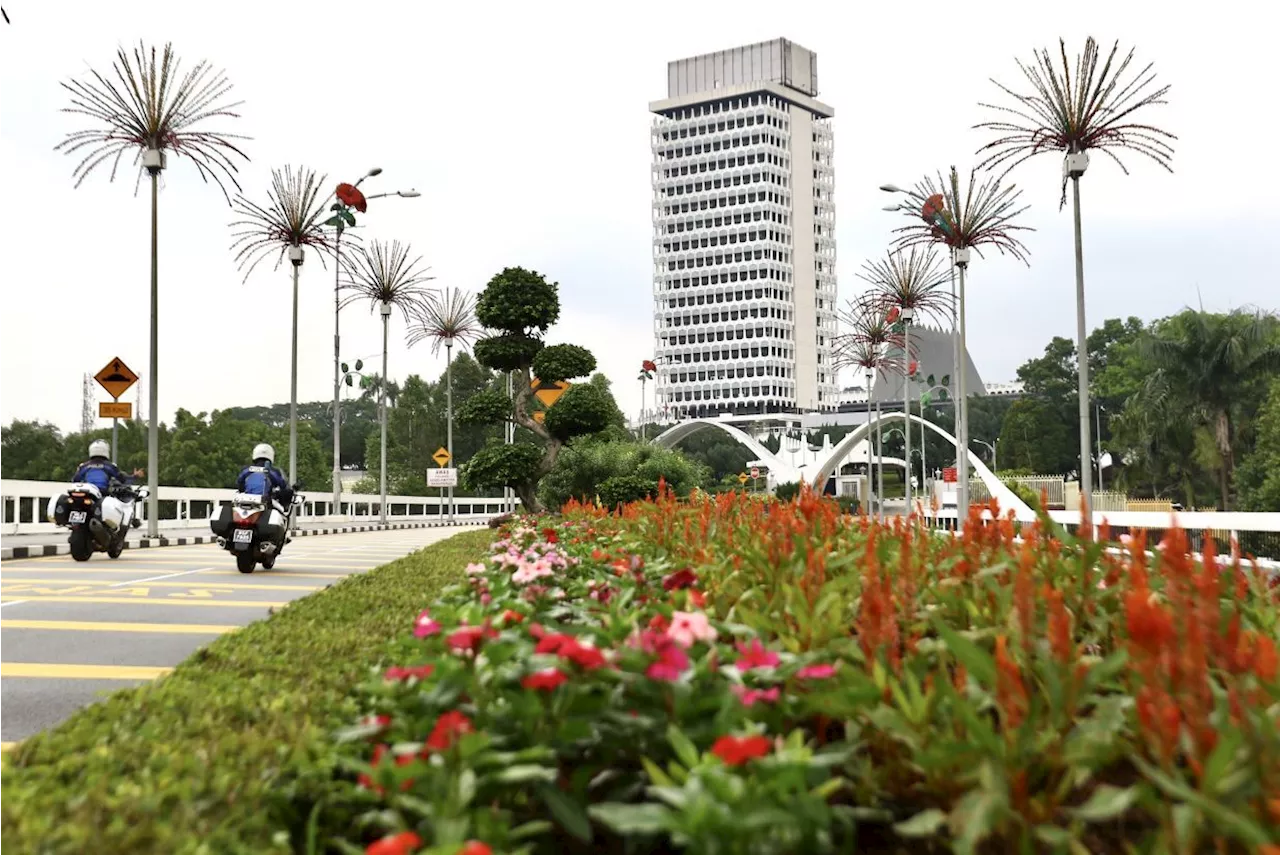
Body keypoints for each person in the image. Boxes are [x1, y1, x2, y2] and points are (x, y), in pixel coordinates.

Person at [73, 439, 144, 495]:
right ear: (106, 450)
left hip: (87, 493)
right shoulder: (110, 466)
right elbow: (123, 479)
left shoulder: (83, 466)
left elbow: (75, 480)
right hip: (102, 493)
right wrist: (135, 476)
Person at [237, 443, 294, 509]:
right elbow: (283, 486)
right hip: (265, 503)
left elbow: (240, 484)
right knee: (281, 512)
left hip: (246, 503)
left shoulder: (246, 470)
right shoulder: (272, 472)